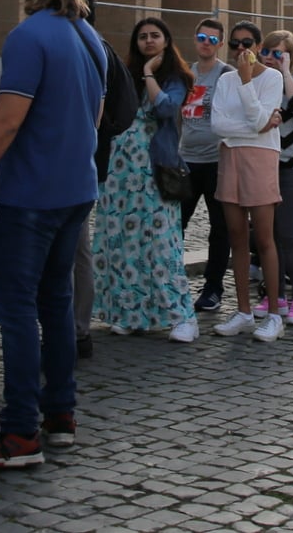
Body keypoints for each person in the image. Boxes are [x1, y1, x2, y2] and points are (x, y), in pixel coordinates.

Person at [0, 0, 107, 468]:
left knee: (15, 310)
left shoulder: (28, 36)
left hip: (32, 194)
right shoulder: (91, 40)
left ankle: (19, 432)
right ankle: (60, 415)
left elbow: (8, 120)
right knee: (55, 303)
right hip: (77, 189)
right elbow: (96, 114)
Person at [91, 17, 194, 343]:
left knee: (160, 245)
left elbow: (165, 109)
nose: (149, 41)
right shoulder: (124, 74)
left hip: (153, 171)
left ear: (166, 40)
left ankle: (182, 317)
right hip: (119, 173)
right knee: (121, 244)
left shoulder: (175, 77)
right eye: (143, 37)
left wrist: (150, 73)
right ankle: (129, 312)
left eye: (155, 36)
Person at [207, 20, 287, 340]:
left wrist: (245, 83)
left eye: (247, 43)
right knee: (236, 237)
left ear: (257, 47)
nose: (241, 50)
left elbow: (256, 118)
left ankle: (273, 314)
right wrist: (254, 126)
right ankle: (243, 310)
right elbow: (219, 125)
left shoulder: (273, 77)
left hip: (261, 157)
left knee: (264, 238)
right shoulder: (225, 80)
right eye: (235, 44)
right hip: (231, 156)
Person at [257, 28, 293, 327]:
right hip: (262, 167)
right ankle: (275, 295)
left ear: (290, 57)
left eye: (277, 53)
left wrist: (285, 71)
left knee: (290, 235)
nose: (270, 58)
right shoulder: (257, 81)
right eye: (266, 52)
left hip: (290, 167)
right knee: (268, 237)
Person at [178, 18, 235, 313]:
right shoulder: (186, 73)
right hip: (186, 160)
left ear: (220, 44)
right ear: (195, 38)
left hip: (216, 161)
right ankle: (172, 281)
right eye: (202, 37)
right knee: (176, 224)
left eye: (213, 39)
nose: (206, 43)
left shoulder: (227, 75)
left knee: (219, 227)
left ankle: (213, 288)